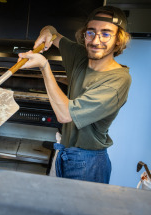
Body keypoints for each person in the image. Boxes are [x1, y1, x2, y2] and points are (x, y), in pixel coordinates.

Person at [18, 6, 131, 183]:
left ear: (118, 40)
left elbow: (65, 115)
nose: (96, 41)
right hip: (63, 151)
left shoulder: (118, 80)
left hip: (89, 162)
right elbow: (53, 32)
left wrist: (44, 66)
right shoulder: (80, 56)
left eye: (106, 34)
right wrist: (46, 33)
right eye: (91, 33)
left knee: (81, 211)